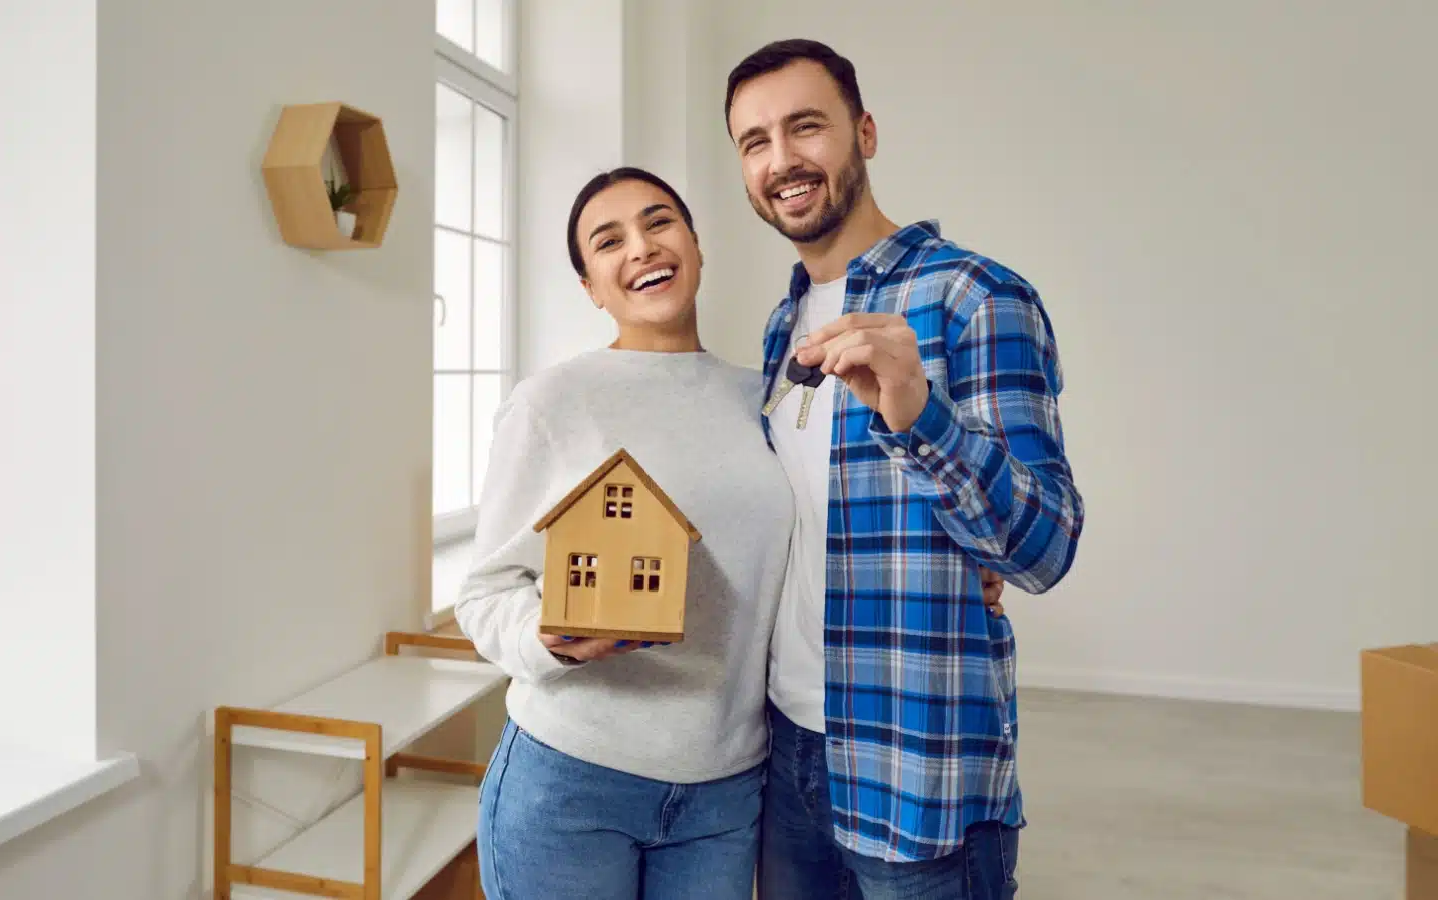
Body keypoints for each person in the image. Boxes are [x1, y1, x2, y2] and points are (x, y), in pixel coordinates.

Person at [723, 39, 1086, 898]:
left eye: (806, 127)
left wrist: (923, 416)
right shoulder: (781, 326)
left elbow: (1044, 548)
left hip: (921, 769)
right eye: (754, 141)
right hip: (787, 754)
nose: (782, 160)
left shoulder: (976, 297)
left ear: (866, 134)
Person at [453, 167, 794, 900]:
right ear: (592, 288)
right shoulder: (551, 403)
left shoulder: (765, 399)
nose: (641, 247)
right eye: (609, 242)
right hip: (571, 780)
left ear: (696, 246)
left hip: (726, 787)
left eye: (659, 221)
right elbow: (484, 595)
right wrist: (549, 638)